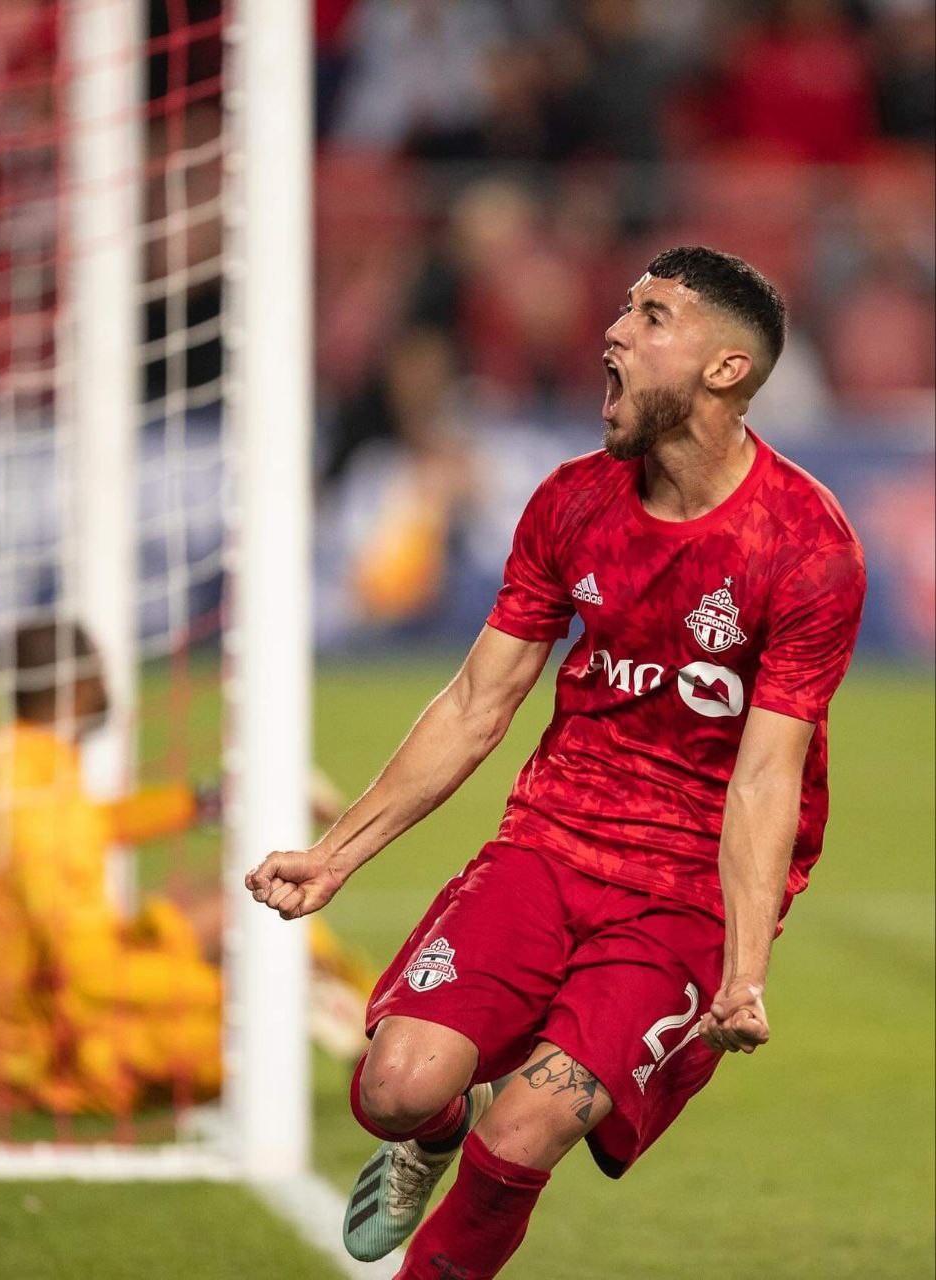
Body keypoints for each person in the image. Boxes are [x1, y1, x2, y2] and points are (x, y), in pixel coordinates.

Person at [246, 246, 866, 1278]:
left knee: (529, 1125)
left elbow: (768, 776)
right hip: (549, 839)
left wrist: (746, 966)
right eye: (623, 309)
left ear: (724, 369)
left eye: (653, 317)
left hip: (682, 890)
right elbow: (477, 702)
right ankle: (433, 1132)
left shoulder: (804, 546)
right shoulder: (570, 503)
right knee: (393, 1085)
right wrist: (334, 852)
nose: (614, 332)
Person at [0, 620, 373, 1115]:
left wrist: (207, 801)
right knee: (257, 984)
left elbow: (91, 825)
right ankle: (384, 1032)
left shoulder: (1, 759)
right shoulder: (36, 793)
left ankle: (373, 1028)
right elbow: (87, 976)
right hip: (61, 1048)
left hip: (16, 1023)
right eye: (103, 674)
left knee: (235, 907)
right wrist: (236, 989)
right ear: (79, 684)